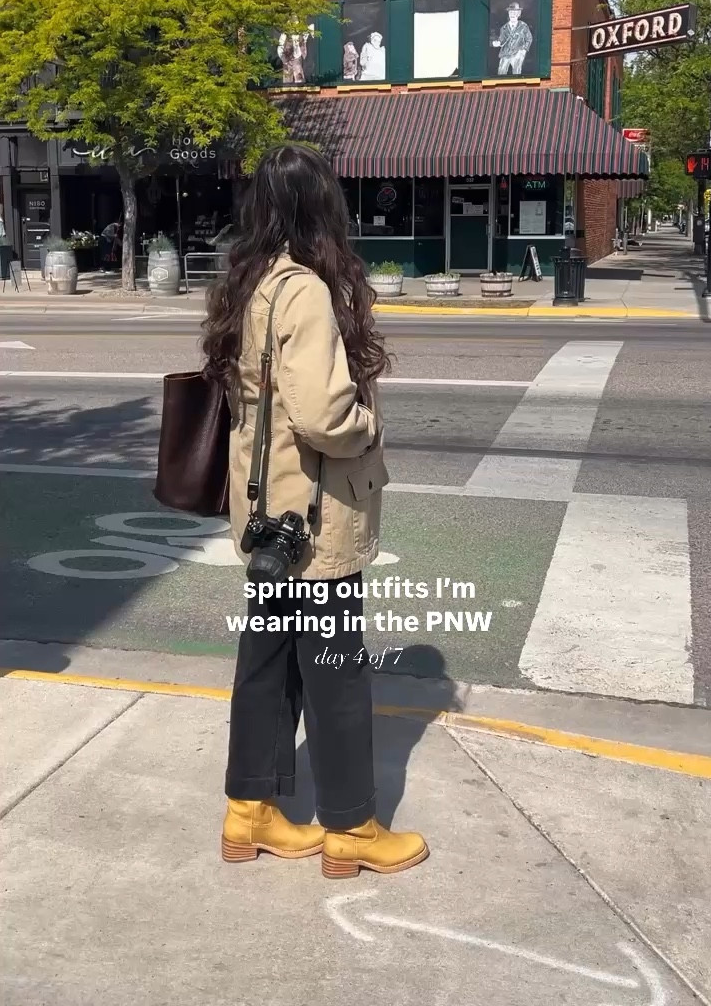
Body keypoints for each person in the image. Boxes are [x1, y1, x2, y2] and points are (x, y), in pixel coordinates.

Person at [202, 142, 428, 879]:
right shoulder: (304, 289)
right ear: (321, 205)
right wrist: (368, 424)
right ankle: (352, 826)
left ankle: (250, 810)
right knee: (336, 672)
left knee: (266, 661)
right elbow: (324, 415)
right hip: (315, 515)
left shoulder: (249, 281)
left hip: (267, 513)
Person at [491, 2, 533, 75]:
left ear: (518, 14)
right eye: (511, 12)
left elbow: (529, 39)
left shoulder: (523, 26)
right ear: (508, 13)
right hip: (505, 53)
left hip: (518, 53)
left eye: (515, 12)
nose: (512, 14)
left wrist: (523, 50)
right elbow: (502, 40)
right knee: (501, 71)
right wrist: (498, 43)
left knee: (516, 72)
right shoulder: (504, 28)